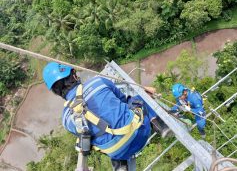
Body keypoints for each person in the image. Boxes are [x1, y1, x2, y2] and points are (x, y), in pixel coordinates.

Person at [42, 62, 170, 170]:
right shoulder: (98, 82)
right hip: (140, 134)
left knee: (100, 135)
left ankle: (120, 164)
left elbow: (87, 134)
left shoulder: (66, 119)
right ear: (74, 76)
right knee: (138, 98)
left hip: (117, 151)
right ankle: (161, 126)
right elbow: (123, 100)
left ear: (56, 91)